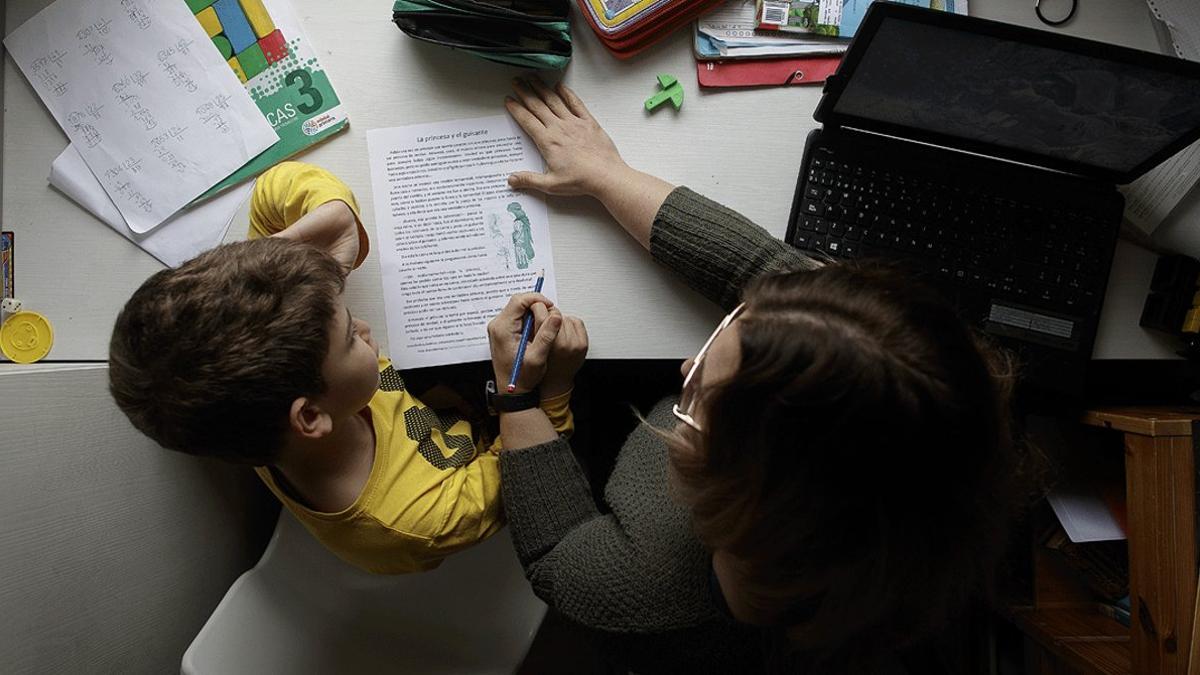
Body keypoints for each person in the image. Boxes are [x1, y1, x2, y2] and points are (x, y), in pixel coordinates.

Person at [486, 77, 1026, 673]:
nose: (687, 365)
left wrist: (517, 399)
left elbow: (556, 552)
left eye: (696, 403)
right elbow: (766, 271)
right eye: (730, 329)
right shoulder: (918, 387)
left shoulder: (639, 582)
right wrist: (606, 173)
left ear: (726, 491)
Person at [107, 161, 578, 574]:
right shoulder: (416, 521)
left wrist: (329, 219)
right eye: (351, 335)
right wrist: (540, 392)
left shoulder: (264, 400)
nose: (367, 329)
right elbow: (527, 484)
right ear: (310, 416)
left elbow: (272, 188)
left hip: (442, 408)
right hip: (492, 456)